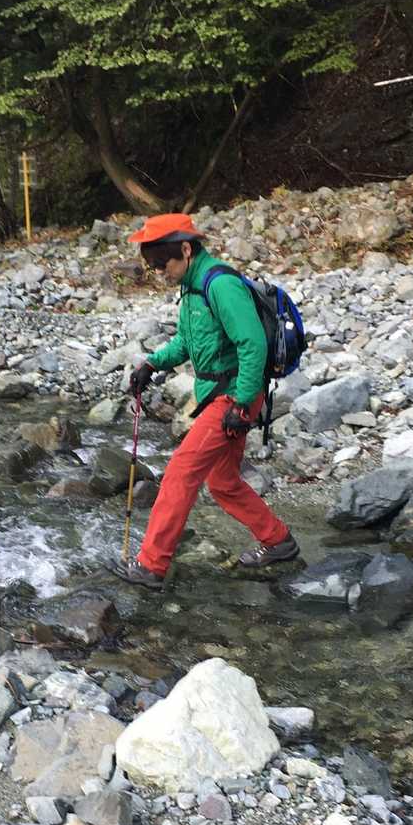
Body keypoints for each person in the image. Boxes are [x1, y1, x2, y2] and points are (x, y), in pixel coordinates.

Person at [107, 212, 299, 588]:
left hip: (234, 396)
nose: (160, 272)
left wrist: (242, 404)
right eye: (153, 265)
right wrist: (152, 364)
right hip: (217, 395)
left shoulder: (220, 285)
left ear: (185, 249)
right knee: (223, 481)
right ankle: (278, 541)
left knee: (180, 473)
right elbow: (186, 341)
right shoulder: (192, 288)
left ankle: (151, 566)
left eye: (163, 263)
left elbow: (252, 344)